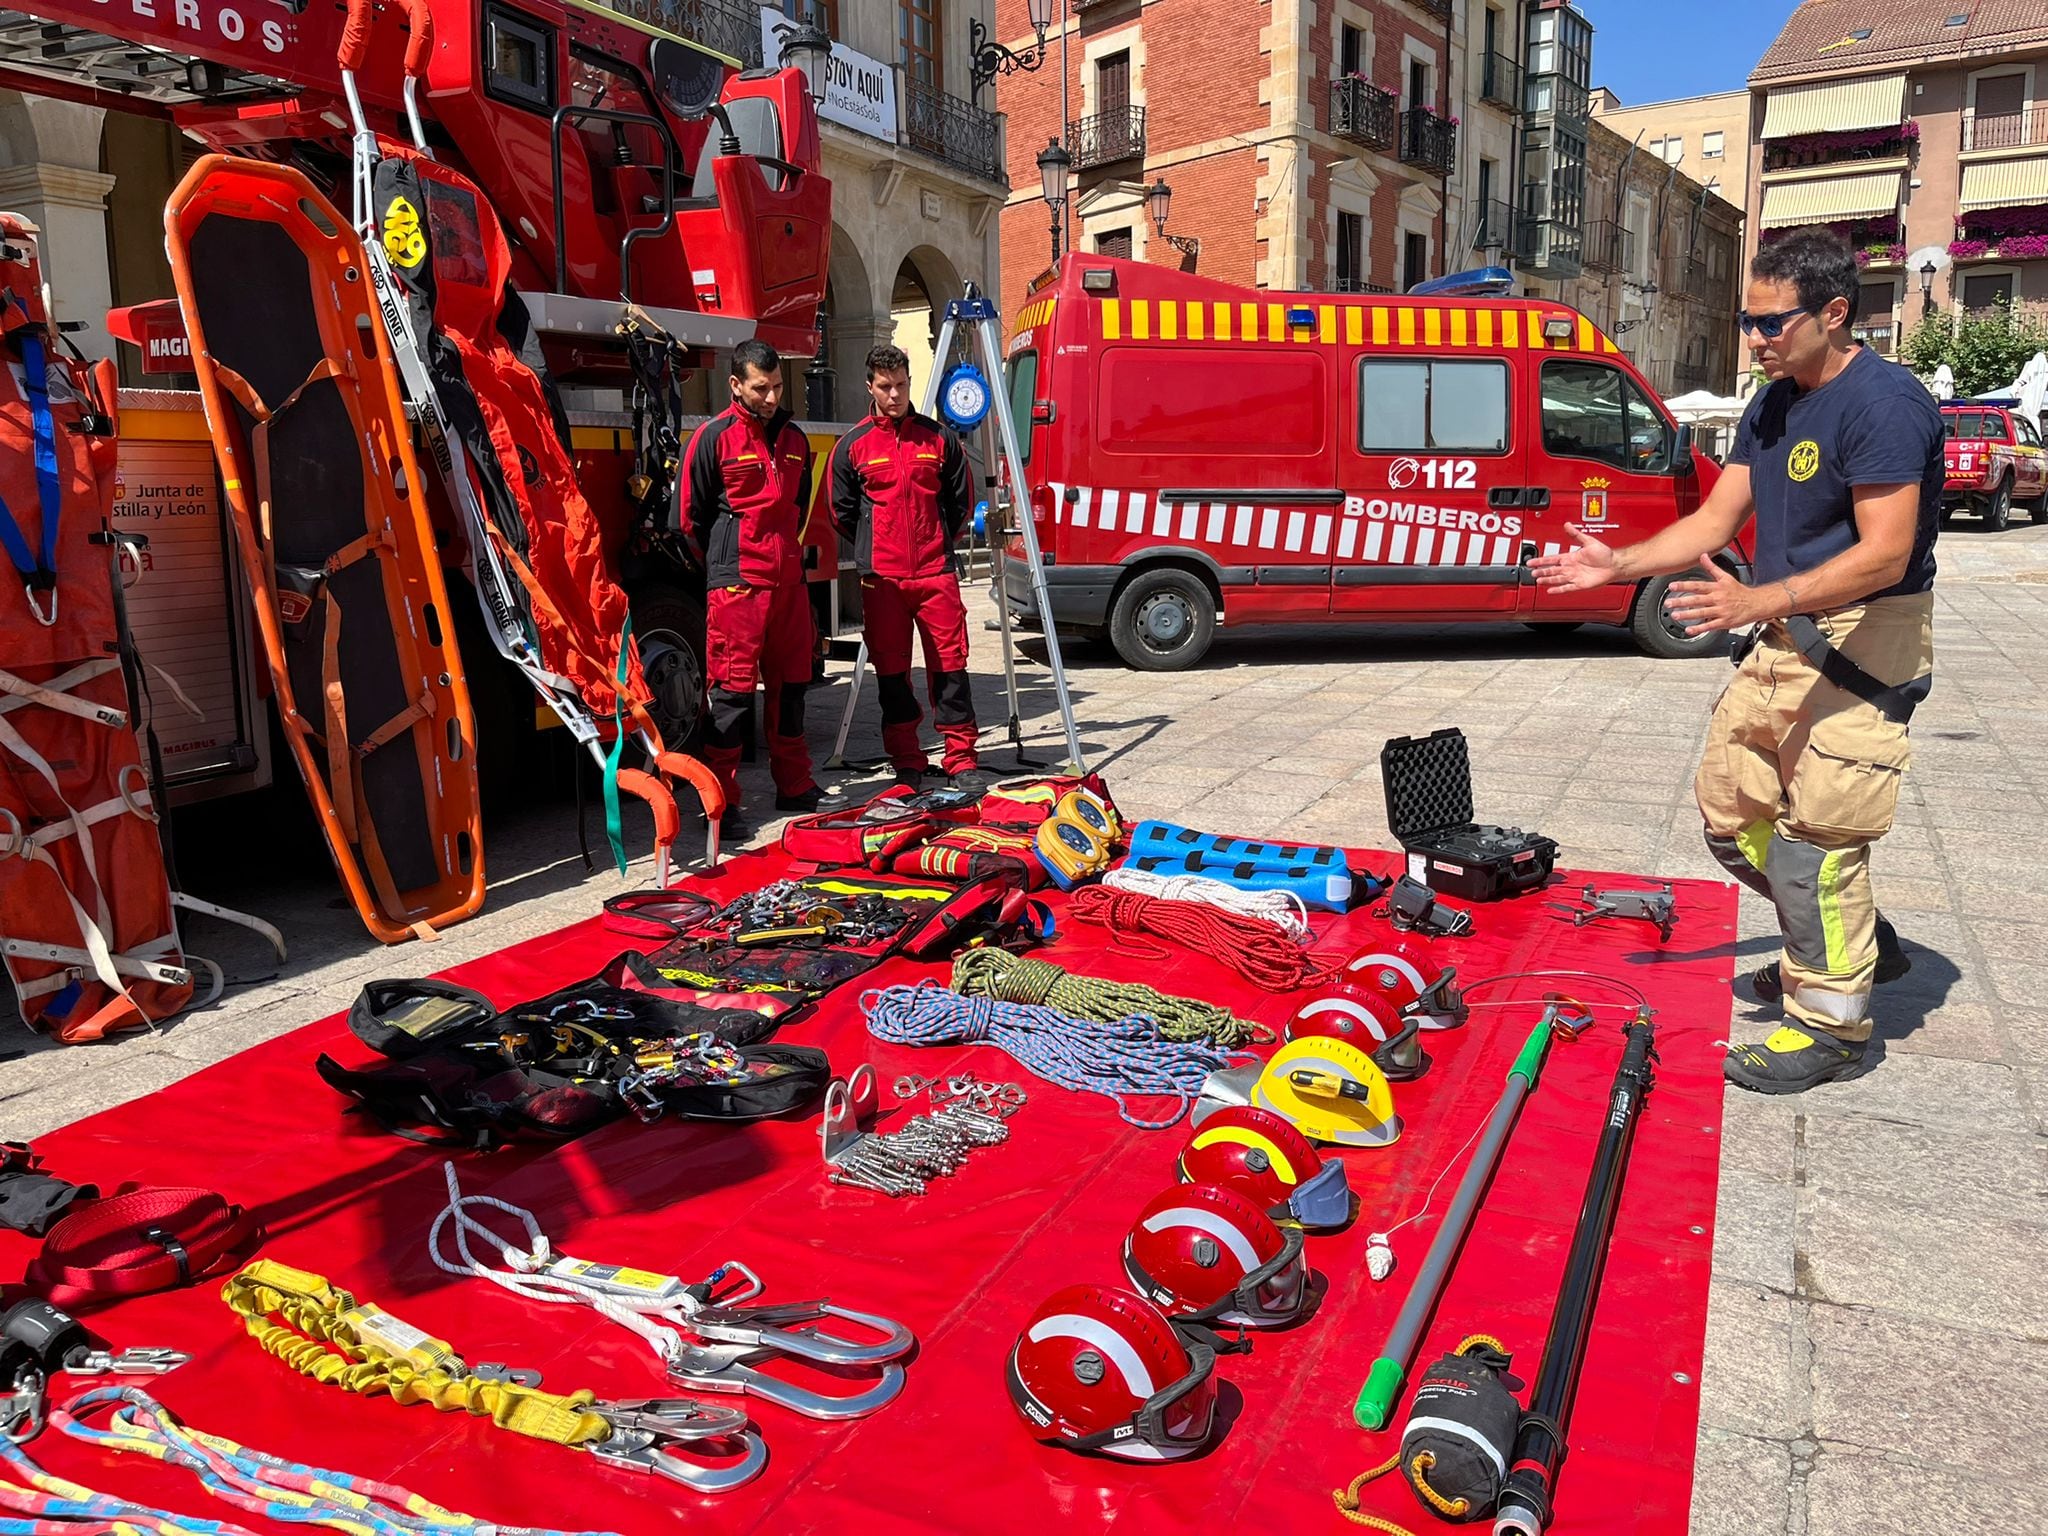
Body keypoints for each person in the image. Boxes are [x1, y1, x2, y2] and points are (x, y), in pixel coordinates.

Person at [1532, 227, 1939, 1094]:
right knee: (1731, 814)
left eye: (1770, 323)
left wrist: (1759, 601)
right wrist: (1618, 564)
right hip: (1788, 630)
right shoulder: (1775, 401)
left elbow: (1887, 553)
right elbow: (1714, 524)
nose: (1754, 339)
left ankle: (1830, 1026)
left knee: (1816, 844)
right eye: (1746, 322)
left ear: (1834, 313)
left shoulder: (1886, 403)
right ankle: (1843, 937)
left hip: (1866, 634)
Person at [682, 338, 825, 829]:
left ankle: (795, 785)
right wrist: (726, 564)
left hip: (788, 584)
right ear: (735, 385)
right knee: (731, 695)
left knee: (793, 689)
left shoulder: (795, 440)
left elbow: (798, 507)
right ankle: (720, 801)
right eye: (761, 388)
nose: (770, 397)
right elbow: (691, 518)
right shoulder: (712, 437)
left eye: (777, 386)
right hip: (737, 585)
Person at [829, 343, 981, 783]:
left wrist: (936, 544)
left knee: (951, 668)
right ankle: (907, 759)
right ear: (869, 387)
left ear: (910, 381)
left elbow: (959, 503)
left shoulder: (939, 439)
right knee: (893, 676)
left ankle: (961, 758)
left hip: (936, 575)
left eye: (900, 385)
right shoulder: (852, 447)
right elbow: (842, 512)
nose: (894, 394)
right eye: (884, 387)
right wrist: (874, 549)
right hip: (883, 581)